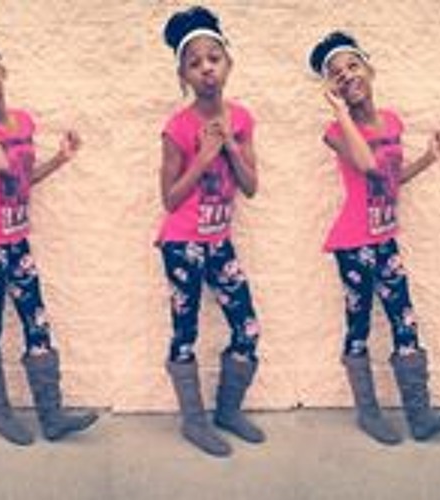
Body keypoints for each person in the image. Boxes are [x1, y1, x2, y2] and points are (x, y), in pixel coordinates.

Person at [309, 31, 440, 444]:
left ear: (369, 70)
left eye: (352, 66)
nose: (346, 75)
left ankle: (419, 416)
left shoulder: (392, 121)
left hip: (385, 239)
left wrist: (428, 158)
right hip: (353, 244)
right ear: (332, 88)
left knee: (404, 320)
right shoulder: (334, 131)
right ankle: (369, 414)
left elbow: (389, 181)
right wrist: (340, 111)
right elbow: (368, 164)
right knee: (358, 326)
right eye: (336, 74)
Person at [0, 31, 98, 445]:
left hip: (16, 241)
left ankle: (52, 416)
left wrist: (59, 159)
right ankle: (0, 415)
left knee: (37, 322)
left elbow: (19, 181)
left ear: (1, 68)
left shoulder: (25, 121)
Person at [158, 6, 265, 457]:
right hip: (182, 244)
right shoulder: (177, 127)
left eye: (214, 58)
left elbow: (251, 187)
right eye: (195, 63)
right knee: (185, 333)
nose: (206, 68)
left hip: (219, 242)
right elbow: (169, 199)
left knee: (247, 327)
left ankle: (227, 410)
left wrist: (232, 149)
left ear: (228, 64)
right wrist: (203, 158)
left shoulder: (242, 119)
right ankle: (194, 422)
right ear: (183, 75)